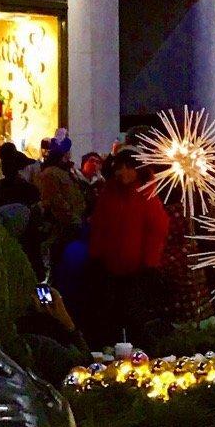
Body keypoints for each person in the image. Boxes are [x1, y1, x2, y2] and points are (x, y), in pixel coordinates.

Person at [83, 147, 171, 347]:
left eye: (128, 167)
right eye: (119, 167)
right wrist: (96, 257)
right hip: (109, 267)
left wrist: (149, 264)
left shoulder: (146, 194)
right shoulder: (109, 193)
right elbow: (99, 227)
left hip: (137, 270)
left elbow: (157, 230)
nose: (122, 172)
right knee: (108, 317)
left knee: (134, 317)